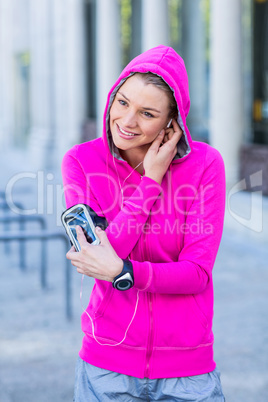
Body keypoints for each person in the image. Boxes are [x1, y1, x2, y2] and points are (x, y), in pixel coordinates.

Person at [62, 45, 226, 401]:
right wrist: (151, 180)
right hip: (106, 365)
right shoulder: (81, 161)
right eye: (122, 102)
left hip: (187, 369)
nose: (127, 121)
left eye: (147, 113)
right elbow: (99, 255)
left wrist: (123, 272)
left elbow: (197, 273)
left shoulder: (205, 165)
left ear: (173, 121)